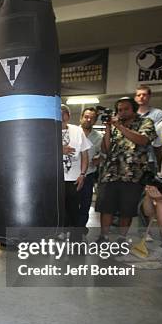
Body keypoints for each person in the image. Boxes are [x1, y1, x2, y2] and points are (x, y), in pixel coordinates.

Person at [96, 97, 156, 242]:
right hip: (110, 173)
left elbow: (143, 140)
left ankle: (122, 238)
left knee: (126, 210)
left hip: (132, 174)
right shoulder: (115, 125)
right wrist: (109, 129)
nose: (122, 112)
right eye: (119, 110)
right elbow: (106, 149)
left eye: (126, 109)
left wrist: (120, 126)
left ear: (134, 109)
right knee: (106, 207)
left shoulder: (145, 122)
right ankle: (103, 237)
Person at [60, 104, 91, 242]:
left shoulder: (78, 131)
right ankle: (60, 233)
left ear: (69, 115)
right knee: (60, 209)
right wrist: (59, 150)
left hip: (74, 178)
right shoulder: (46, 131)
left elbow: (85, 155)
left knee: (75, 210)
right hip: (55, 179)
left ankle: (75, 238)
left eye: (64, 113)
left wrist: (83, 174)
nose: (61, 115)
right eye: (58, 113)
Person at [77, 107, 102, 235]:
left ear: (95, 120)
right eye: (86, 116)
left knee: (85, 203)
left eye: (92, 118)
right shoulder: (72, 132)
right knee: (69, 203)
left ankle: (80, 228)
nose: (88, 119)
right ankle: (67, 228)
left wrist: (99, 159)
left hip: (88, 175)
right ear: (81, 117)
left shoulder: (98, 137)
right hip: (71, 175)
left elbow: (105, 153)